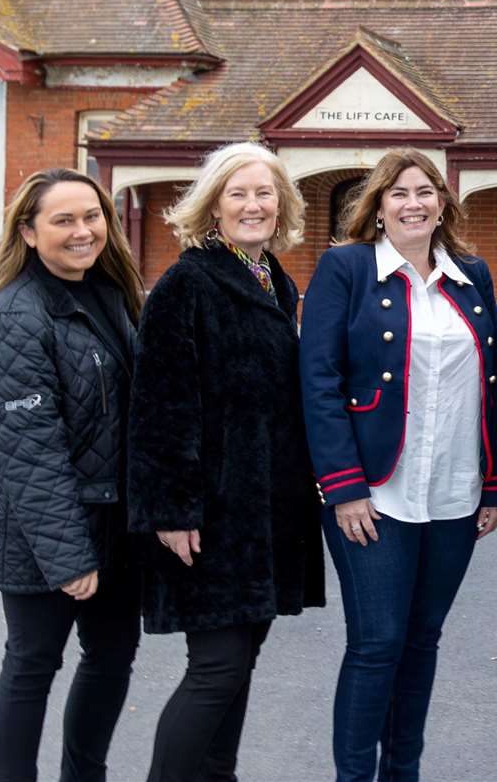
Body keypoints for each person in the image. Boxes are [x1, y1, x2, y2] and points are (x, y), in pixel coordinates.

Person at [300, 148, 497, 781]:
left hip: (453, 492)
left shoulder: (470, 274)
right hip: (374, 493)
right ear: (378, 206)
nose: (413, 203)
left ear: (443, 203)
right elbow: (318, 379)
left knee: (422, 643)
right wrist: (343, 487)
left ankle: (404, 773)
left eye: (425, 191)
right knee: (377, 645)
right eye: (398, 193)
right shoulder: (347, 268)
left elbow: (494, 384)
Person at [128, 141, 326, 782]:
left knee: (238, 667)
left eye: (264, 193)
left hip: (264, 515)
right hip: (208, 516)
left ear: (282, 205)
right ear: (212, 205)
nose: (252, 205)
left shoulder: (272, 278)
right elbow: (160, 406)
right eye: (237, 193)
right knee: (215, 671)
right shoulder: (187, 284)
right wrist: (171, 510)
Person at [0, 167, 145, 782]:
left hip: (111, 518)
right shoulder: (13, 317)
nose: (82, 231)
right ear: (30, 233)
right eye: (63, 220)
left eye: (91, 216)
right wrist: (70, 558)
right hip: (39, 527)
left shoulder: (110, 293)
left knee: (113, 655)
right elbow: (29, 453)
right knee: (33, 662)